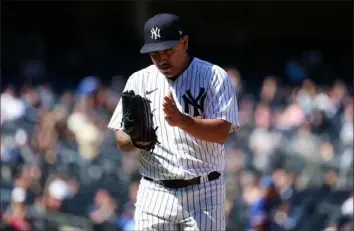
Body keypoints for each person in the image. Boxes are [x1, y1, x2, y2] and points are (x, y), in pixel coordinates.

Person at [108, 13, 240, 230]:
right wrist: (136, 138)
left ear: (184, 42)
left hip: (204, 191)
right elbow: (120, 141)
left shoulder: (214, 76)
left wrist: (183, 121)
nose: (161, 60)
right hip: (155, 191)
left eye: (168, 51)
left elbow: (222, 132)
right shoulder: (139, 80)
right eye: (155, 54)